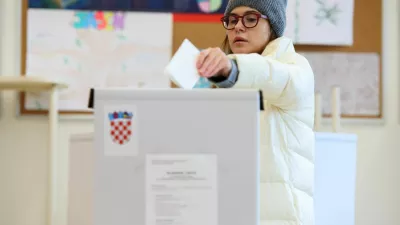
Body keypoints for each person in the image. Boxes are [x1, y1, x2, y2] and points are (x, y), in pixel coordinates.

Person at [196, 0, 315, 224]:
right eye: (232, 20)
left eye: (251, 19)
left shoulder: (295, 68)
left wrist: (230, 69)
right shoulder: (224, 81)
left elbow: (271, 76)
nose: (238, 27)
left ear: (273, 27)